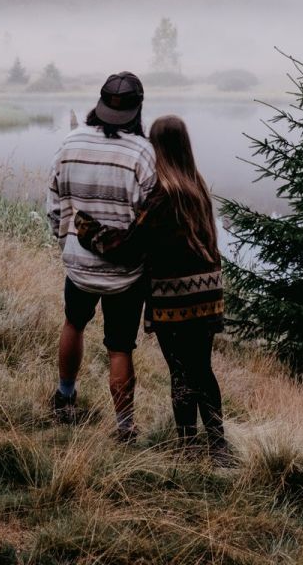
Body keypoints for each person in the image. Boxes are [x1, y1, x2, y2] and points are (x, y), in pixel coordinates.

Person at [75, 115, 231, 463]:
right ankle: (219, 447)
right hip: (206, 295)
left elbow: (129, 246)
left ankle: (188, 447)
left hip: (174, 298)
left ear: (155, 147)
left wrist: (87, 229)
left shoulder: (162, 194)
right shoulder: (197, 186)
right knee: (202, 368)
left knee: (180, 372)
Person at [46, 71, 155, 441]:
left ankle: (65, 397)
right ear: (138, 109)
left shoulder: (70, 143)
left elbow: (54, 205)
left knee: (73, 323)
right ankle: (124, 428)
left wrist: (69, 246)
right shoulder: (143, 153)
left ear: (100, 105)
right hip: (125, 274)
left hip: (78, 265)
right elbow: (150, 217)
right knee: (120, 346)